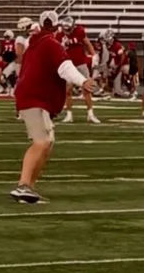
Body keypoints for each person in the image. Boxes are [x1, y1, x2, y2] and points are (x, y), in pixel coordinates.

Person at [10, 14, 87, 205]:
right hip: (34, 98)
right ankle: (23, 185)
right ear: (56, 26)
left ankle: (29, 189)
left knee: (47, 142)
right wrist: (83, 80)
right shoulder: (51, 44)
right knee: (41, 142)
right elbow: (64, 67)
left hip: (31, 96)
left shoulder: (35, 43)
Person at [63, 23, 100, 124]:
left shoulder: (79, 31)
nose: (68, 31)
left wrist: (93, 55)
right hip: (69, 65)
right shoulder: (60, 34)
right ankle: (69, 115)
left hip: (81, 64)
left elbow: (87, 43)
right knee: (67, 90)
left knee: (86, 89)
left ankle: (90, 114)